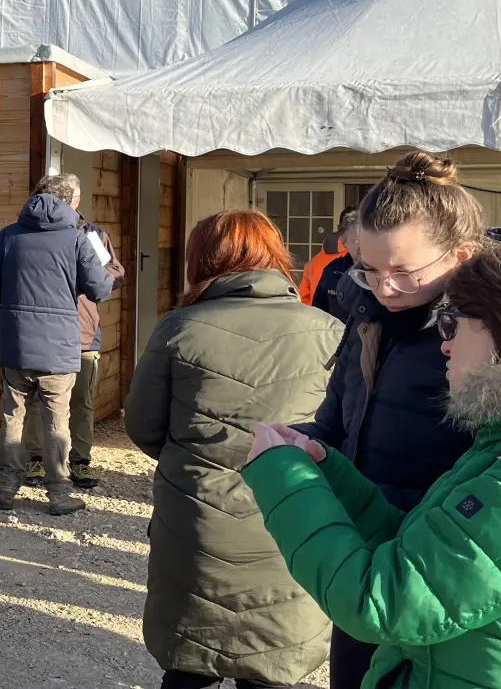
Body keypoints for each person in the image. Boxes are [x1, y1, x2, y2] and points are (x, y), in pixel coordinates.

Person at [245, 238, 501, 689]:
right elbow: (425, 557)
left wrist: (283, 476)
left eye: (451, 323)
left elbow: (386, 602)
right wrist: (329, 474)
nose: (443, 344)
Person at [291, 151, 486, 689]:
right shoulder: (366, 316)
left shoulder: (482, 341)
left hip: (438, 563)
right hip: (365, 551)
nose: (384, 287)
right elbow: (335, 425)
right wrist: (292, 445)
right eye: (370, 270)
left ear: (462, 257)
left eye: (404, 272)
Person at [125, 210, 340, 689]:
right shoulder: (328, 330)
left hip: (197, 515)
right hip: (290, 511)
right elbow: (339, 432)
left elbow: (142, 425)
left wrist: (197, 457)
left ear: (200, 259)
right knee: (273, 658)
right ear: (274, 256)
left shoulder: (180, 328)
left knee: (189, 663)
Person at [0, 174, 115, 515]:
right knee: (57, 421)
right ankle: (58, 495)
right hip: (58, 346)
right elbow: (100, 289)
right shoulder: (76, 239)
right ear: (68, 200)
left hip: (15, 342)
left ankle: (6, 488)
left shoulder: (7, 236)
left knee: (13, 417)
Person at [25, 213, 125, 489]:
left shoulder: (91, 234)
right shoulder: (31, 232)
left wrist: (87, 278)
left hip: (83, 332)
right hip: (42, 331)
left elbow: (115, 274)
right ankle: (36, 459)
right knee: (36, 400)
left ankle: (80, 461)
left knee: (81, 401)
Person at [297, 207, 355, 305]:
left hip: (318, 318)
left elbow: (303, 300)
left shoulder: (312, 263)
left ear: (338, 227)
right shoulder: (360, 260)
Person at [310, 209, 359, 320]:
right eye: (356, 240)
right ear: (344, 242)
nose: (361, 245)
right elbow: (318, 312)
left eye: (365, 239)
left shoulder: (382, 271)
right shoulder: (332, 272)